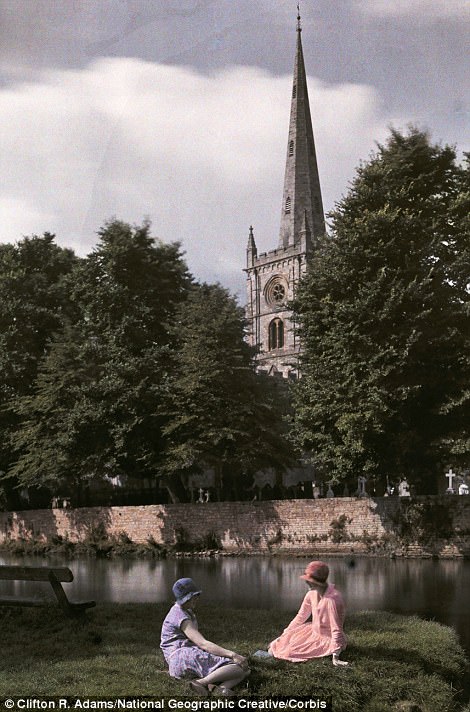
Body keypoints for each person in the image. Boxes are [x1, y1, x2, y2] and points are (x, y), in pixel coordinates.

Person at [160, 577, 250, 696]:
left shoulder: (183, 611)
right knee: (238, 667)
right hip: (183, 657)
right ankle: (201, 682)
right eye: (195, 596)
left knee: (246, 670)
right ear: (188, 598)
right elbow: (202, 643)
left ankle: (218, 690)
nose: (197, 599)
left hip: (177, 663)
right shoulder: (180, 616)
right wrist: (232, 654)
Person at [268, 561, 349, 666]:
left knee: (289, 652)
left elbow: (336, 628)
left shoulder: (333, 599)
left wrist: (335, 656)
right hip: (313, 631)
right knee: (276, 644)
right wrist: (285, 633)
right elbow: (301, 616)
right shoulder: (311, 594)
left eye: (309, 580)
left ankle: (327, 650)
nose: (307, 582)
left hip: (327, 638)